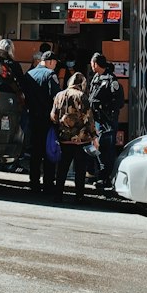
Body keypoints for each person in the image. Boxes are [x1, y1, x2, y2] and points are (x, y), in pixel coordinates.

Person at [51, 72, 97, 202]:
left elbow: (53, 116)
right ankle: (79, 195)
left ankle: (58, 194)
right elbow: (89, 119)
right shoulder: (82, 96)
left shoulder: (59, 95)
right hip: (80, 139)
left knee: (62, 168)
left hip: (64, 138)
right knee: (80, 169)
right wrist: (94, 137)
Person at [24, 50, 59, 196]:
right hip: (47, 120)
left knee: (35, 152)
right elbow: (56, 98)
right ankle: (48, 184)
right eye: (55, 64)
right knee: (49, 152)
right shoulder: (50, 75)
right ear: (50, 61)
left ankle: (34, 182)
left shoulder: (29, 74)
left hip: (32, 118)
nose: (55, 67)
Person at [88, 53, 124, 190]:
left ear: (96, 64)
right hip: (96, 120)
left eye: (92, 63)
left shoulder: (111, 80)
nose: (91, 66)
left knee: (105, 149)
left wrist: (105, 109)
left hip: (106, 122)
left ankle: (106, 178)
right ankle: (98, 175)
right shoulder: (96, 78)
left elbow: (119, 103)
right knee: (96, 148)